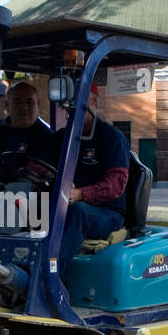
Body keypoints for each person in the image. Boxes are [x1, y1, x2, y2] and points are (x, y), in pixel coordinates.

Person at [51, 87, 130, 271]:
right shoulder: (62, 138)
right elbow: (42, 165)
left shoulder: (111, 137)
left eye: (79, 103)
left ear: (94, 102)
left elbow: (115, 186)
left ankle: (49, 279)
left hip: (107, 212)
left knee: (78, 212)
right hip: (67, 203)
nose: (72, 109)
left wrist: (80, 194)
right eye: (70, 104)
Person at [0, 80, 53, 187]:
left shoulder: (49, 138)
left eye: (29, 102)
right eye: (18, 102)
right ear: (7, 105)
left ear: (38, 104)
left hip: (36, 201)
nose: (24, 107)